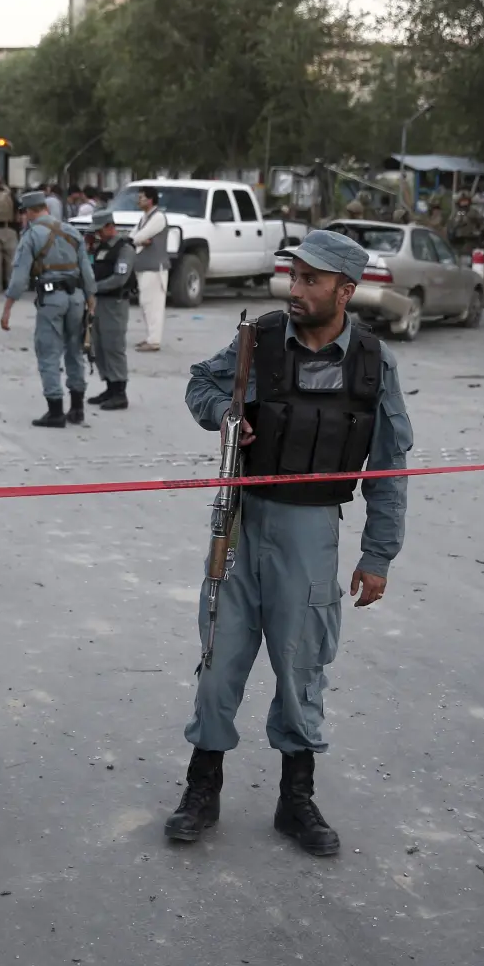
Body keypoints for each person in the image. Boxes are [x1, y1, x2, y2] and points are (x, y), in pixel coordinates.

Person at [166, 229, 412, 855]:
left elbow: (389, 466)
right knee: (219, 660)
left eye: (310, 280)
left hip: (312, 535)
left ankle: (295, 798)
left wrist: (378, 554)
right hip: (242, 523)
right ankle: (203, 786)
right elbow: (200, 384)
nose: (295, 290)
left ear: (345, 291)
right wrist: (227, 412)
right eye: (293, 277)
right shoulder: (260, 339)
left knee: (302, 666)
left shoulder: (372, 364)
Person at [0, 190, 97, 427]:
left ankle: (55, 411)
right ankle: (77, 409)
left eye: (24, 213)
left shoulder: (32, 235)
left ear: (31, 211)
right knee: (75, 351)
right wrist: (90, 301)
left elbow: (20, 277)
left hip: (52, 299)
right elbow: (87, 272)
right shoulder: (72, 231)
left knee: (48, 352)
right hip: (76, 298)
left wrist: (7, 308)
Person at [86, 209, 135, 411]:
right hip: (99, 303)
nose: (98, 234)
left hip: (115, 303)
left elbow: (119, 278)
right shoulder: (101, 248)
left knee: (114, 345)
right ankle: (109, 386)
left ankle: (120, 391)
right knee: (100, 345)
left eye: (100, 230)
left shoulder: (124, 249)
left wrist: (94, 288)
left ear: (109, 226)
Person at [131, 186, 169, 352]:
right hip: (144, 266)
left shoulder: (158, 217)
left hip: (154, 268)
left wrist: (138, 240)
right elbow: (133, 236)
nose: (139, 201)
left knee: (153, 305)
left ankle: (154, 341)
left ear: (151, 199)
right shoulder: (144, 218)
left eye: (142, 197)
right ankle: (150, 337)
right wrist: (137, 240)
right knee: (145, 304)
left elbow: (140, 236)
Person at [445, 191, 484, 259]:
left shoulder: (473, 212)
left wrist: (479, 232)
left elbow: (483, 223)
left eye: (465, 201)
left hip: (471, 241)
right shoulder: (455, 214)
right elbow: (450, 226)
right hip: (457, 242)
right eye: (462, 201)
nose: (464, 204)